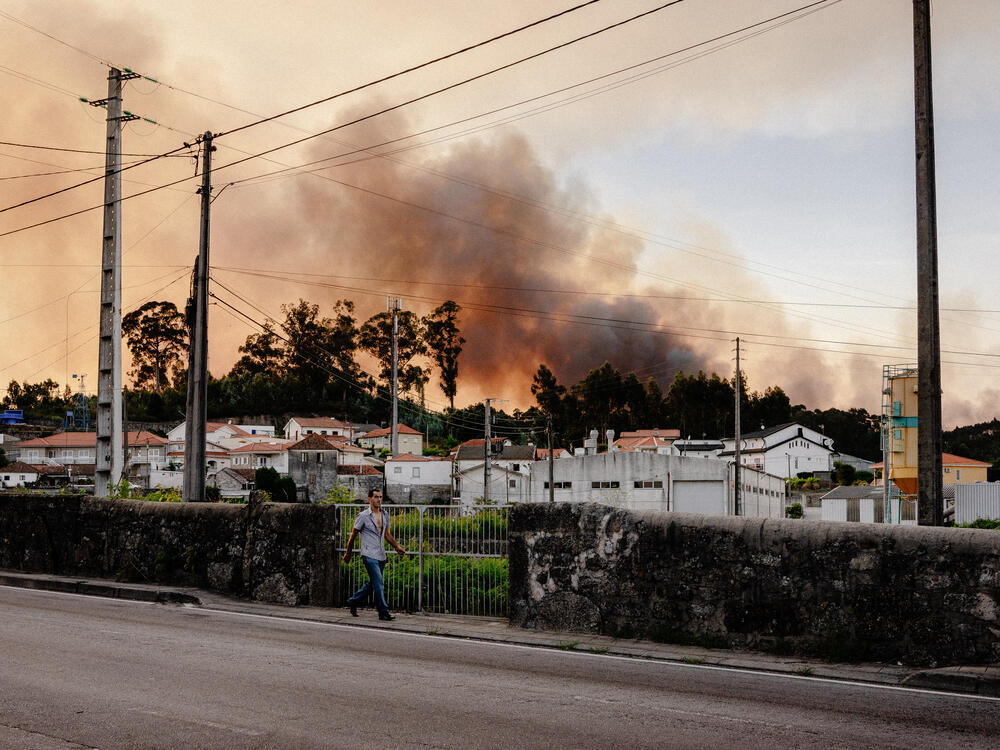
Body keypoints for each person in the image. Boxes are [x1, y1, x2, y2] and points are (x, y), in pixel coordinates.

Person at [343, 487, 406, 621]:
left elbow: (386, 534)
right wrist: (348, 553)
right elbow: (353, 535)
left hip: (381, 555)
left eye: (380, 497)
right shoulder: (363, 516)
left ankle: (353, 601)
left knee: (373, 584)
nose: (379, 499)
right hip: (368, 554)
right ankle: (383, 612)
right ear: (369, 499)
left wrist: (397, 547)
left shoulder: (384, 515)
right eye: (376, 497)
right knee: (379, 583)